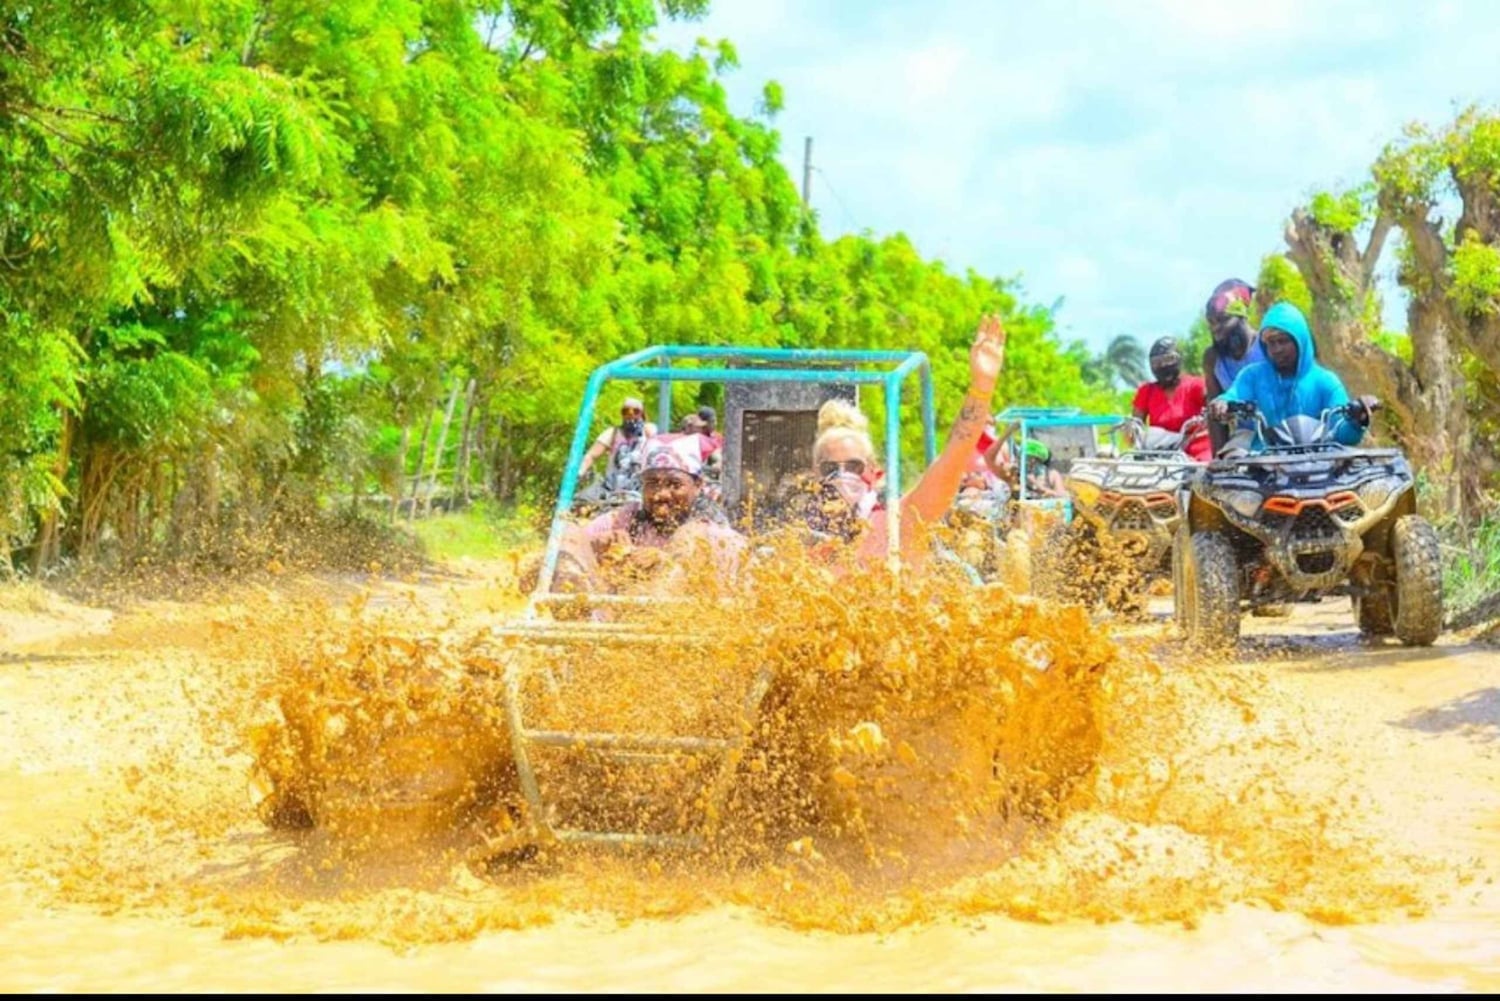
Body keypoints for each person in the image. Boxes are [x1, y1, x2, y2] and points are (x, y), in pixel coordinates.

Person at [802, 313, 1007, 568]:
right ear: (815, 476)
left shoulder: (901, 522)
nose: (842, 477)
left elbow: (954, 457)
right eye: (830, 468)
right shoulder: (796, 539)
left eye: (854, 466)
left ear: (875, 472)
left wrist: (982, 387)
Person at [558, 432, 747, 594]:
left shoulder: (713, 532)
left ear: (697, 486)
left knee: (689, 537)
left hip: (677, 619)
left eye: (674, 484)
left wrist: (663, 561)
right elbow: (563, 546)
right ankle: (573, 613)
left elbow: (746, 561)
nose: (660, 495)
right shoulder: (624, 519)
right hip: (611, 618)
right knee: (568, 531)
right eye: (652, 484)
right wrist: (594, 544)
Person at [1205, 301, 1371, 448]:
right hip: (1265, 459)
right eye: (1270, 343)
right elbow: (1234, 395)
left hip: (1318, 462)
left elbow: (1342, 434)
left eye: (1283, 341)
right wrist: (1223, 403)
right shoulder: (1252, 376)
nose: (1276, 349)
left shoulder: (1326, 382)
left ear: (1300, 340)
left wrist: (1358, 419)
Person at [1200, 279, 1265, 454]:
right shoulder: (1213, 359)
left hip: (1280, 429)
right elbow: (1215, 415)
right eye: (1211, 322)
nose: (1216, 329)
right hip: (1245, 437)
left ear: (1241, 317)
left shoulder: (1267, 345)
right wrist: (1218, 459)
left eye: (1223, 320)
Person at [1132, 336, 1211, 462]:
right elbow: (1136, 427)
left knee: (1206, 467)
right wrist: (1132, 431)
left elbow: (1215, 409)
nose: (1163, 366)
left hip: (1197, 448)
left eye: (1168, 359)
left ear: (1179, 359)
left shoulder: (1196, 385)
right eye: (1156, 362)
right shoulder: (1146, 391)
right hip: (1162, 451)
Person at [578, 397, 658, 492]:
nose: (630, 415)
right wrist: (579, 473)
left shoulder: (647, 431)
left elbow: (658, 449)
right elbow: (591, 456)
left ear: (641, 413)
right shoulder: (612, 433)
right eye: (626, 411)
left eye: (635, 411)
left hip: (641, 489)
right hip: (613, 488)